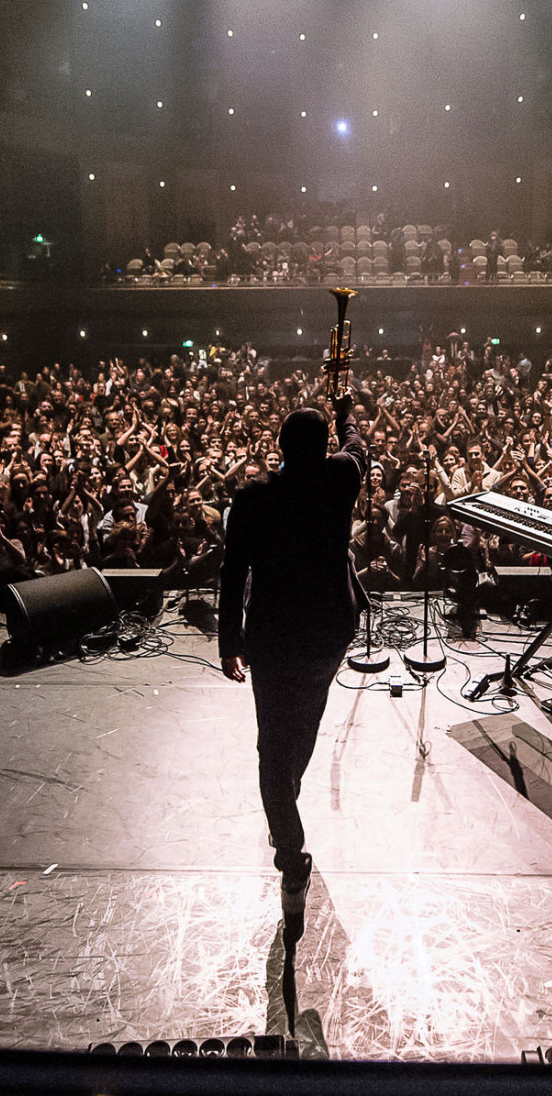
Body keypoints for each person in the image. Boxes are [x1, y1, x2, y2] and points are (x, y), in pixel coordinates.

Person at [217, 392, 368, 915]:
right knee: (303, 727)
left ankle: (287, 837)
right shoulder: (341, 477)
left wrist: (229, 642)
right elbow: (357, 446)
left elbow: (233, 574)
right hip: (327, 634)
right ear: (325, 448)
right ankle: (287, 831)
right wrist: (345, 413)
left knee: (273, 744)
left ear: (279, 447)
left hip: (273, 638)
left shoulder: (252, 498)